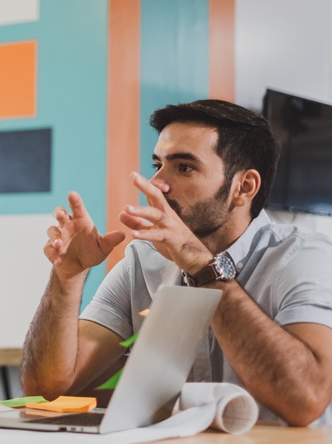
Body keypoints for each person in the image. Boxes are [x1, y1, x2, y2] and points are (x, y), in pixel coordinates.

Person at [21, 99, 332, 426]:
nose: (157, 183)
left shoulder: (303, 256)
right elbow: (48, 389)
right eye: (158, 165)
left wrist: (201, 266)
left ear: (243, 187)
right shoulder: (143, 261)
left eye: (184, 167)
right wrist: (68, 278)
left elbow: (305, 401)